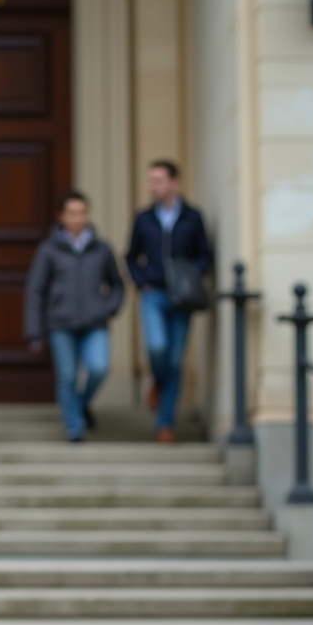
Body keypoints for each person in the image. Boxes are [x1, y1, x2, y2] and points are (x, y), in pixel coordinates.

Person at [25, 191, 125, 442]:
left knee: (100, 368)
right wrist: (33, 329)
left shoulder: (101, 248)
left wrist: (108, 308)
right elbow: (36, 290)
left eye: (82, 213)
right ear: (61, 217)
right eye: (71, 213)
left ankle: (80, 404)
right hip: (61, 322)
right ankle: (75, 428)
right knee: (67, 377)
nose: (77, 218)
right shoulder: (49, 250)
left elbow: (117, 284)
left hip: (95, 322)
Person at [125, 160, 213, 443]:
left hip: (182, 298)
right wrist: (141, 281)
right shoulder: (143, 218)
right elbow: (130, 256)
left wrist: (189, 274)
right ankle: (157, 382)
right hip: (153, 294)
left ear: (175, 183)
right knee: (157, 346)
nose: (153, 186)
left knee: (175, 360)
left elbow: (206, 255)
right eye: (151, 181)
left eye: (158, 181)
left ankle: (165, 424)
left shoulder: (193, 216)